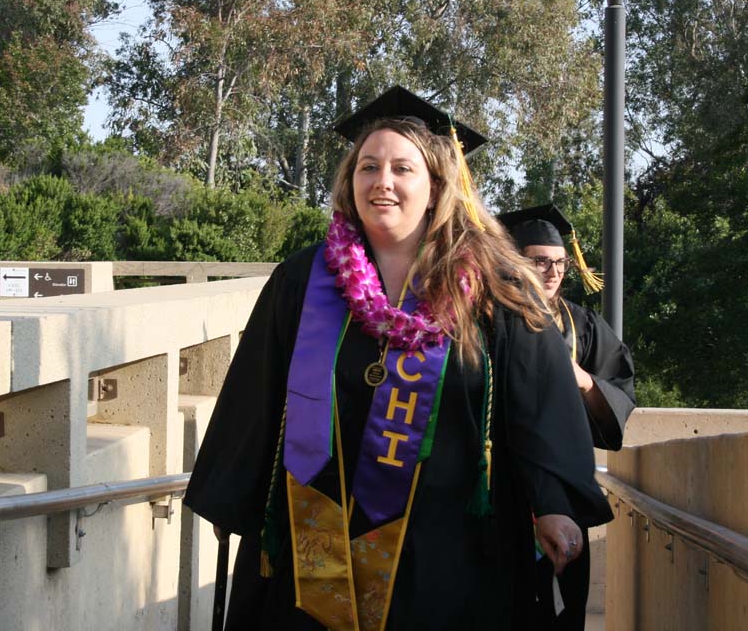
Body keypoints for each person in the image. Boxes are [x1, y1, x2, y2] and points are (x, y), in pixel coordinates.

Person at [186, 86, 612, 631]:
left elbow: (538, 402)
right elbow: (257, 392)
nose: (381, 182)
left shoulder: (495, 287)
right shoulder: (304, 279)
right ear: (350, 180)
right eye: (368, 167)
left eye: (401, 169)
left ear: (436, 187)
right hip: (318, 539)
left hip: (450, 550)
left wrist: (553, 502)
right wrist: (233, 495)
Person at [498, 204, 636, 630]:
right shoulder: (492, 315)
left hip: (565, 483)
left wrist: (585, 382)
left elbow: (619, 394)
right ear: (514, 260)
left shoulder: (583, 324)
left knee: (566, 605)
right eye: (539, 261)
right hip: (505, 483)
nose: (553, 271)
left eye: (559, 263)